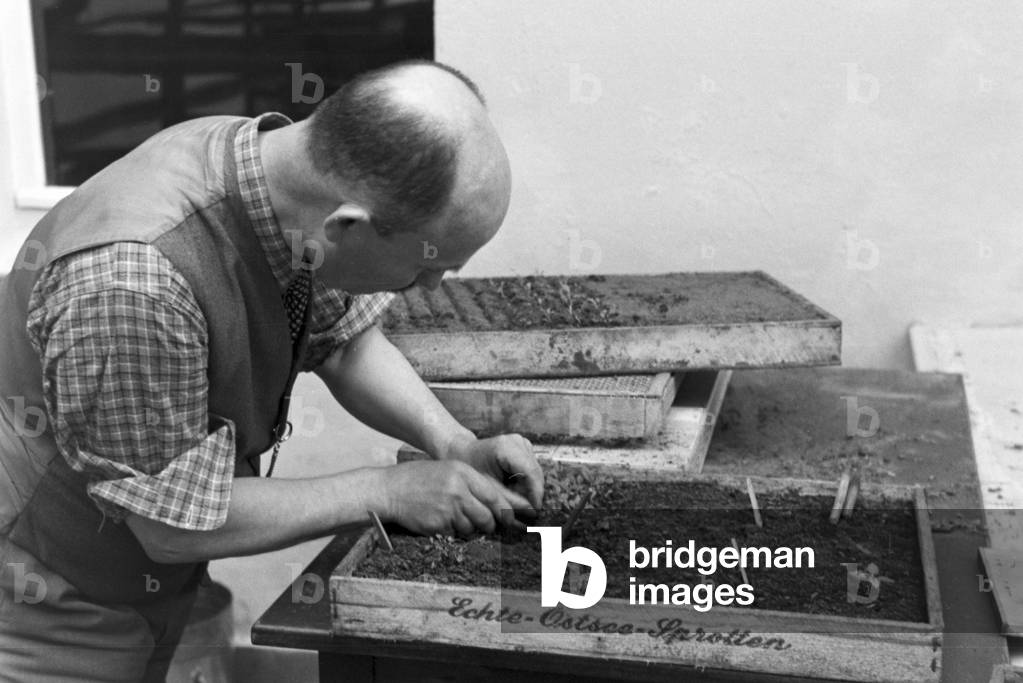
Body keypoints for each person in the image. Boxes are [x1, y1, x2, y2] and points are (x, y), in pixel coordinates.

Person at [0, 59, 543, 681]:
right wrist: (386, 491)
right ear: (347, 226)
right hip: (39, 600)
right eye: (424, 266)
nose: (428, 286)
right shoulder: (133, 283)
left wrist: (455, 444)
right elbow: (169, 530)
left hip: (138, 577)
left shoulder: (277, 175)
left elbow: (344, 344)